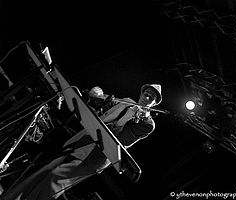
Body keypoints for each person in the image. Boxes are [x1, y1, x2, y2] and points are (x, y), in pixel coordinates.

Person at [0, 83, 162, 200]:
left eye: (151, 97)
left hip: (96, 155)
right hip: (81, 142)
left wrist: (141, 117)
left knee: (55, 179)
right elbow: (102, 101)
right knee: (45, 169)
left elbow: (123, 140)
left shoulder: (147, 124)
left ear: (154, 104)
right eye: (146, 93)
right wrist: (95, 93)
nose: (147, 97)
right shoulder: (125, 101)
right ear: (141, 93)